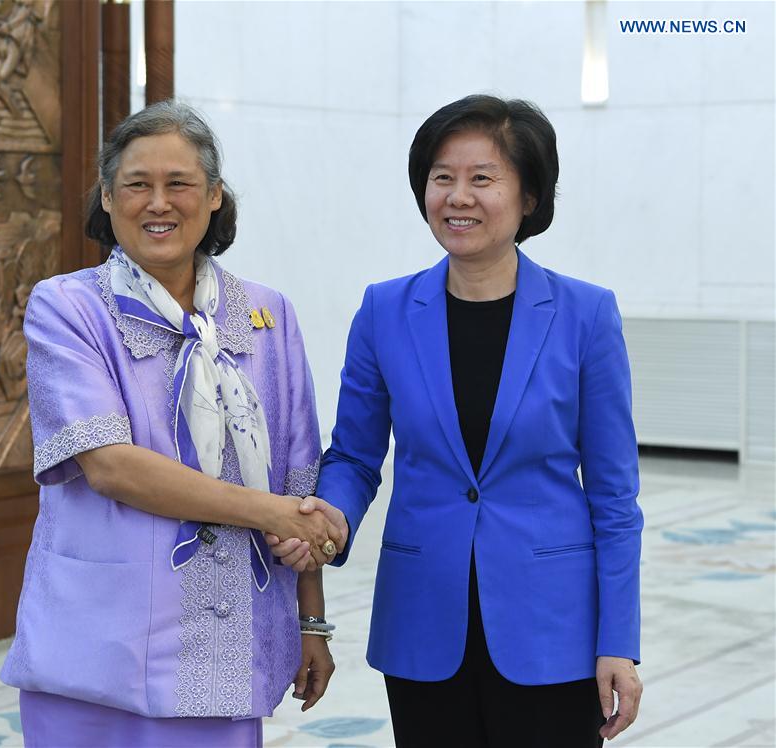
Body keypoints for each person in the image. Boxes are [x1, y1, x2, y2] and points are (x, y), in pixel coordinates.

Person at [268, 95, 643, 747]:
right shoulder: (384, 310)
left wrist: (619, 642)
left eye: (482, 178)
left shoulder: (586, 316)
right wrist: (327, 521)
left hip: (551, 624)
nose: (457, 196)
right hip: (422, 616)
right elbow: (355, 456)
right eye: (442, 177)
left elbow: (614, 496)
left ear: (529, 196)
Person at [0, 100, 342, 748]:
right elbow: (110, 465)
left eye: (179, 184)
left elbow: (300, 480)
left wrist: (313, 622)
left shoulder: (267, 315)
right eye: (137, 185)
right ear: (107, 197)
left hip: (226, 645)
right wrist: (272, 513)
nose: (159, 203)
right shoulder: (68, 307)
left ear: (214, 196)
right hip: (95, 647)